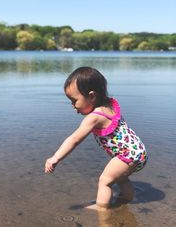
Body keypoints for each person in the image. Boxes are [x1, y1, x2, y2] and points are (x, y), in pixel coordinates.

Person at [44, 67, 148, 211]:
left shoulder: (94, 117)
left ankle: (102, 210)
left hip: (127, 155)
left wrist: (56, 158)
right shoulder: (110, 104)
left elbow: (74, 139)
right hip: (138, 151)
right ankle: (126, 199)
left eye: (74, 101)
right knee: (120, 177)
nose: (73, 106)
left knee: (105, 181)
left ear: (92, 96)